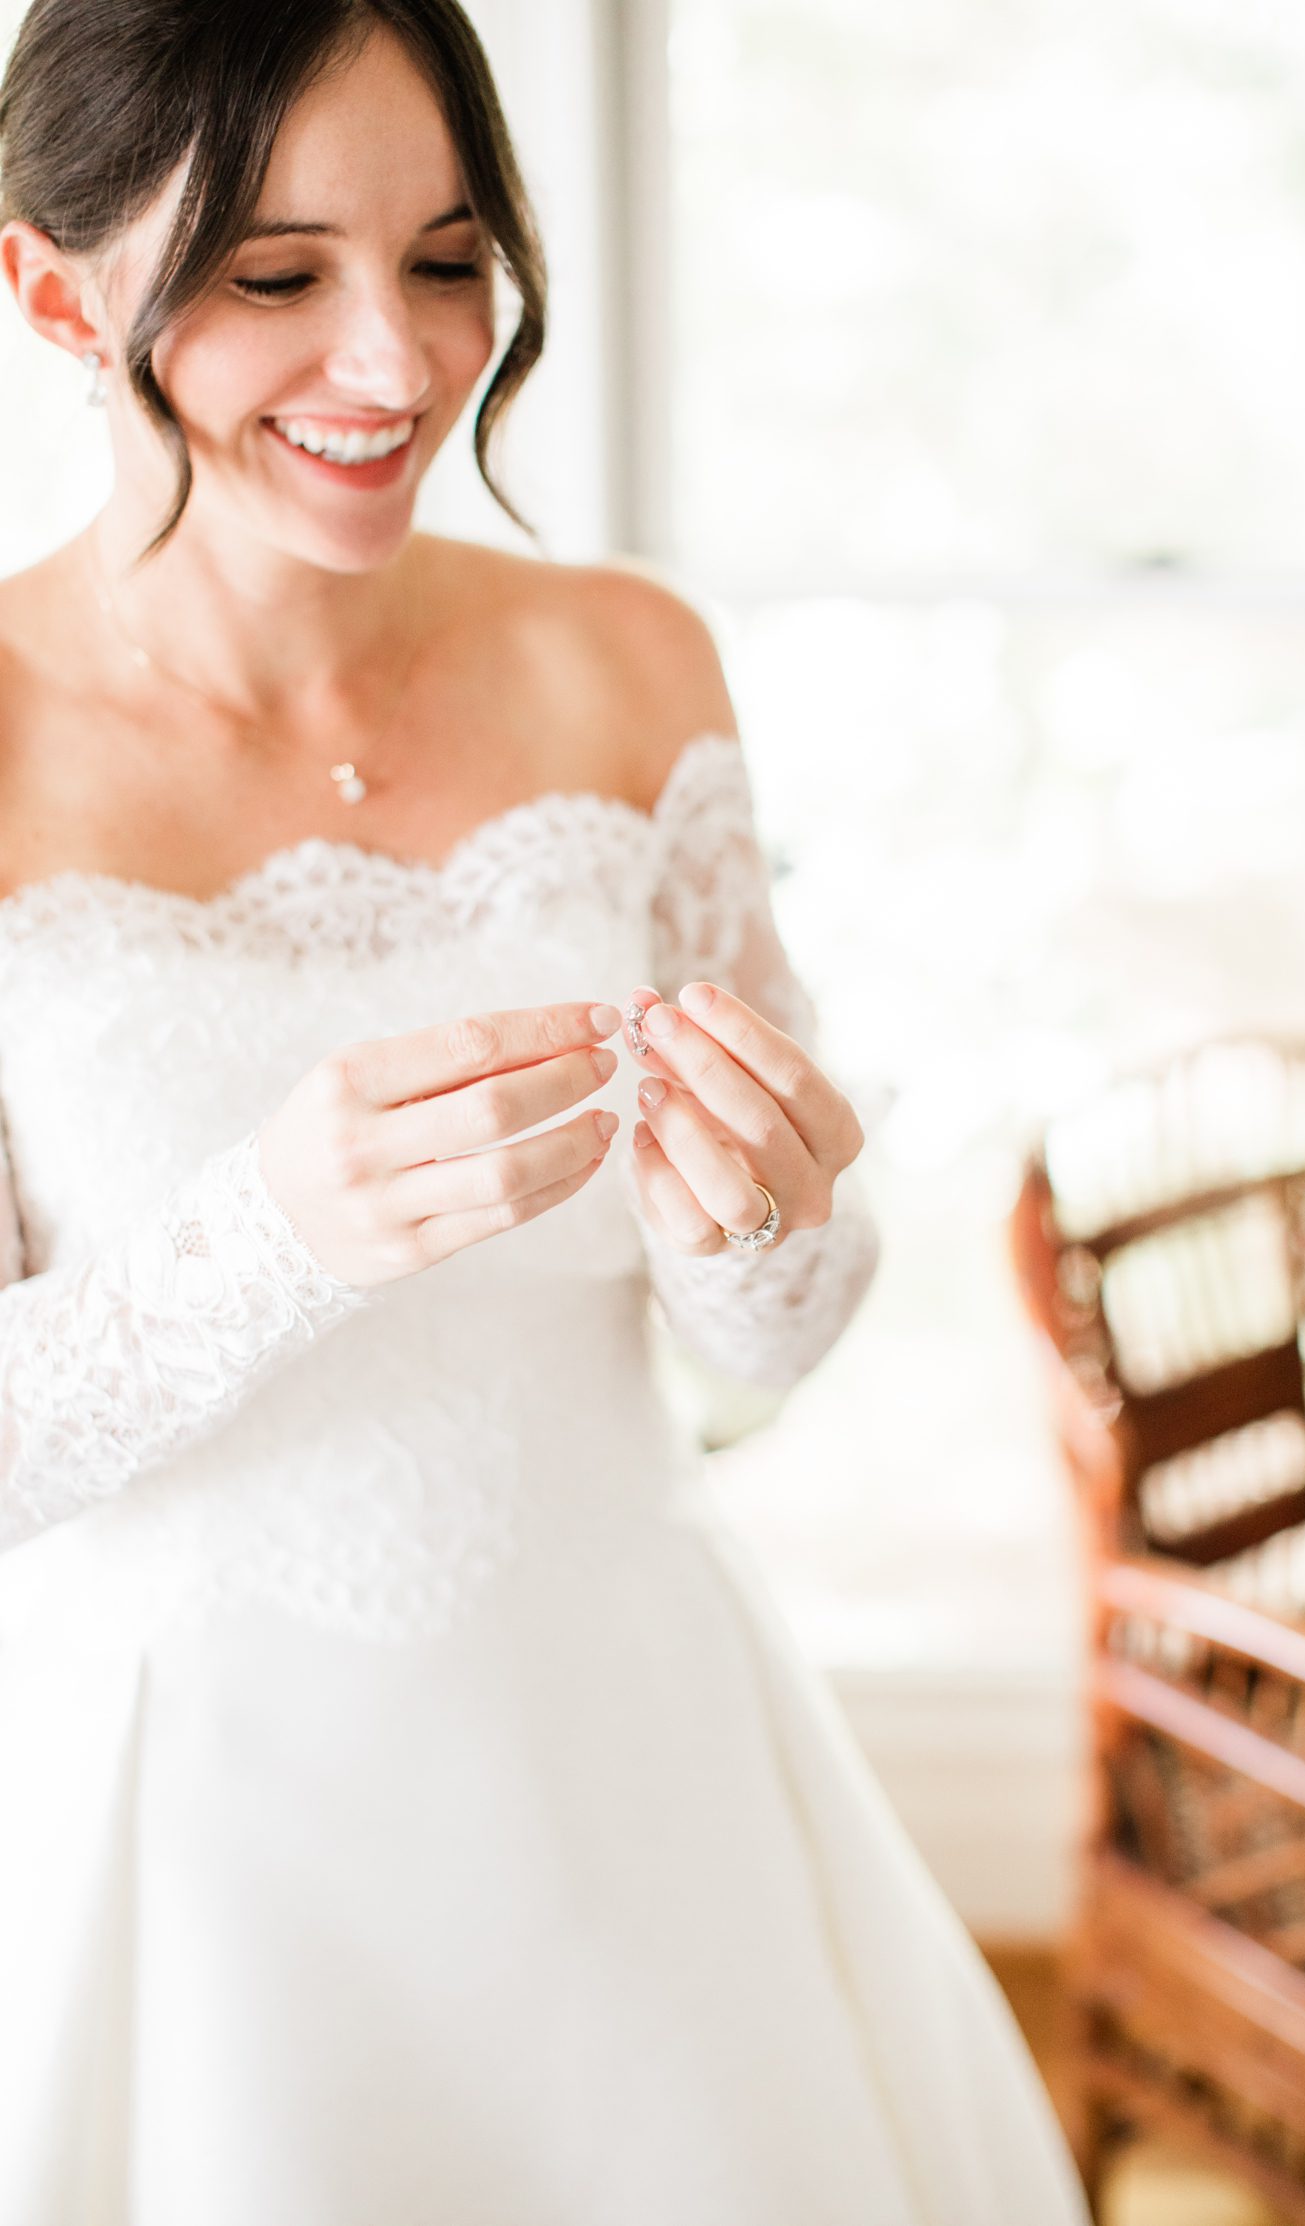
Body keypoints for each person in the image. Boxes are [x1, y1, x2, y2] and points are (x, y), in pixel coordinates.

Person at [0, 3, 1092, 2220]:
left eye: (452, 257)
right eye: (275, 274)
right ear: (50, 289)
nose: (397, 369)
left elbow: (769, 1335)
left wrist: (760, 1230)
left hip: (635, 1767)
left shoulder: (629, 661)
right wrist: (264, 1235)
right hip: (195, 1830)